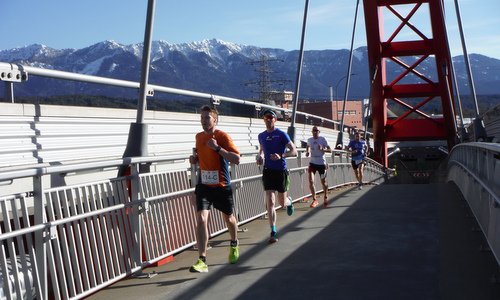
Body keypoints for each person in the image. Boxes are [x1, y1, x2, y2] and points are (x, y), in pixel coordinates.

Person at [189, 105, 241, 273]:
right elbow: (202, 155)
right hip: (204, 185)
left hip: (221, 185)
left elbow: (237, 159)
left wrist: (218, 148)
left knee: (229, 219)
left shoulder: (222, 136)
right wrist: (195, 159)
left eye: (207, 118)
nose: (203, 121)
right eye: (202, 118)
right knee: (202, 219)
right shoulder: (198, 137)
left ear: (215, 120)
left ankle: (234, 243)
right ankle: (202, 259)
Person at [256, 109, 297, 243]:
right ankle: (273, 231)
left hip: (280, 171)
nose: (267, 119)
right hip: (268, 170)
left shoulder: (282, 135)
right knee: (270, 201)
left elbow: (294, 151)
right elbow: (262, 150)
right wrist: (260, 157)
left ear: (275, 119)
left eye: (270, 117)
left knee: (282, 203)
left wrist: (282, 155)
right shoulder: (261, 135)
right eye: (265, 118)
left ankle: (289, 201)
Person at [305, 126, 331, 208]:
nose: (315, 132)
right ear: (312, 132)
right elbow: (308, 146)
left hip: (321, 163)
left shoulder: (322, 139)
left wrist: (323, 149)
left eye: (316, 131)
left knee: (323, 182)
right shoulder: (309, 140)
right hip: (312, 163)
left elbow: (330, 150)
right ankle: (314, 200)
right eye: (313, 131)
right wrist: (307, 152)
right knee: (311, 181)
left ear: (319, 132)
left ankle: (326, 197)